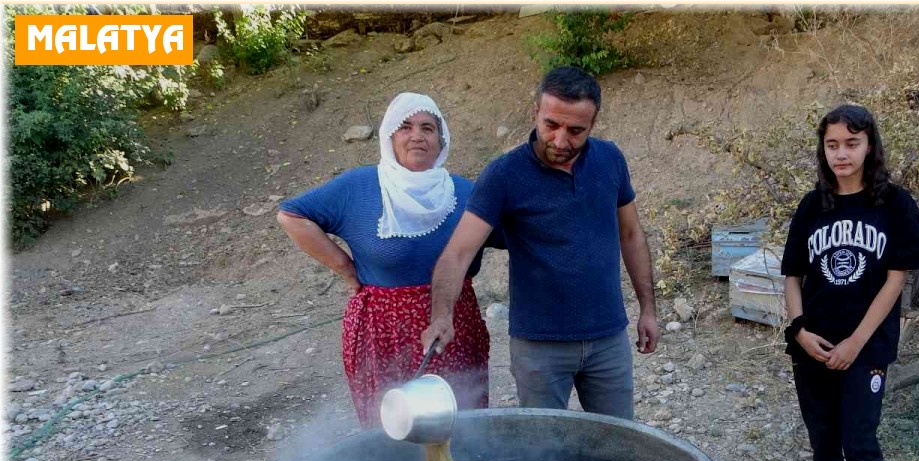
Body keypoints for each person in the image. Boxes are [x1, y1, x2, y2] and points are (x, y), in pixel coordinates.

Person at [420, 66, 659, 420]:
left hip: (608, 338)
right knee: (545, 452)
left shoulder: (610, 159)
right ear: (535, 113)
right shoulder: (503, 175)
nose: (561, 141)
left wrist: (648, 309)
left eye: (576, 130)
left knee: (618, 441)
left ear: (593, 124)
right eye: (552, 125)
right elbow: (458, 252)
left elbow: (631, 235)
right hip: (539, 347)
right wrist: (441, 315)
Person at [779, 104, 919, 461]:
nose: (841, 153)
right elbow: (792, 275)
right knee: (822, 439)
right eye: (832, 144)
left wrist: (856, 342)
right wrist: (799, 329)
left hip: (863, 350)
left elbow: (895, 279)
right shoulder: (812, 206)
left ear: (870, 146)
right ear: (822, 150)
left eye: (852, 143)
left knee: (860, 445)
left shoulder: (893, 204)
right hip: (813, 347)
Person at [277, 92, 504, 427]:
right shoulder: (359, 187)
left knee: (460, 424)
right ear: (389, 136)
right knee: (393, 429)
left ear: (441, 139)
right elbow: (291, 215)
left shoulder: (467, 193)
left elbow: (516, 233)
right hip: (380, 330)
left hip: (452, 326)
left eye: (428, 128)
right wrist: (344, 268)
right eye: (405, 127)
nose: (417, 135)